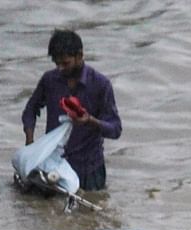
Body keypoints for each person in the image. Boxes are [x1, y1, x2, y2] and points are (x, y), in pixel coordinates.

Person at [21, 29, 122, 191]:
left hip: (89, 170)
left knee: (89, 214)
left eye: (65, 63)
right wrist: (30, 145)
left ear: (80, 56)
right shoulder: (49, 80)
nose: (60, 68)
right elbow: (30, 110)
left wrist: (90, 120)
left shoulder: (100, 85)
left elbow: (115, 129)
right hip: (53, 164)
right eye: (56, 63)